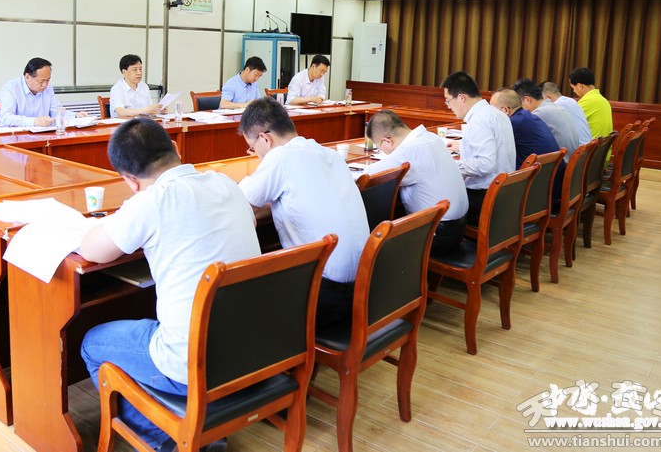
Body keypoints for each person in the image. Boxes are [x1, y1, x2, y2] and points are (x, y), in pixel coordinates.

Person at [79, 118, 259, 452]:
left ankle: (165, 438)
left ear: (130, 180)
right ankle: (197, 431)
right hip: (254, 352)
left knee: (91, 343)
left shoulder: (149, 202)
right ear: (176, 148)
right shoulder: (225, 183)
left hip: (192, 366)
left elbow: (92, 251)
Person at [237, 97, 369, 328]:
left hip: (325, 295)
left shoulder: (280, 157)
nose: (254, 154)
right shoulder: (328, 154)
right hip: (365, 287)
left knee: (242, 291)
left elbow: (239, 205)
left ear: (265, 138)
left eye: (252, 148)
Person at [366, 110, 467, 254]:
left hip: (437, 235)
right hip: (458, 227)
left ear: (387, 141)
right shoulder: (431, 137)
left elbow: (369, 177)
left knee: (377, 238)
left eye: (379, 147)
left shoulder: (408, 150)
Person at [441, 71, 516, 226]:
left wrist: (451, 166)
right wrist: (462, 147)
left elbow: (485, 164)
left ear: (461, 97)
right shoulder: (496, 113)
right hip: (504, 195)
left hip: (484, 199)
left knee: (434, 203)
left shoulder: (479, 120)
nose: (448, 106)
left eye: (448, 101)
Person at [490, 88, 564, 203]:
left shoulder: (513, 123)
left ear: (505, 110)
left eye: (492, 111)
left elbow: (491, 150)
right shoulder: (529, 117)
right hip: (550, 188)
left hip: (534, 194)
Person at [512, 78, 580, 163]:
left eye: (519, 105)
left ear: (527, 100)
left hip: (560, 164)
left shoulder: (538, 114)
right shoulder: (557, 107)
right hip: (571, 162)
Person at [0, 57, 60, 127]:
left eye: (48, 80)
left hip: (42, 132)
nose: (45, 85)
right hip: (14, 133)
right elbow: (6, 118)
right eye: (41, 81)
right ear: (27, 77)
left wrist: (70, 116)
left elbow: (57, 112)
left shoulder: (48, 89)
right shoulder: (10, 88)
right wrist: (34, 121)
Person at [541, 81, 592, 146]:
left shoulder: (556, 106)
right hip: (588, 146)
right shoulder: (571, 101)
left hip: (578, 149)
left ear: (548, 98)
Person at [568, 67, 614, 139]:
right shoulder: (603, 100)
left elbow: (568, 124)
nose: (574, 91)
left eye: (573, 88)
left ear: (580, 86)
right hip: (603, 145)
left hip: (591, 145)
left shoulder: (587, 102)